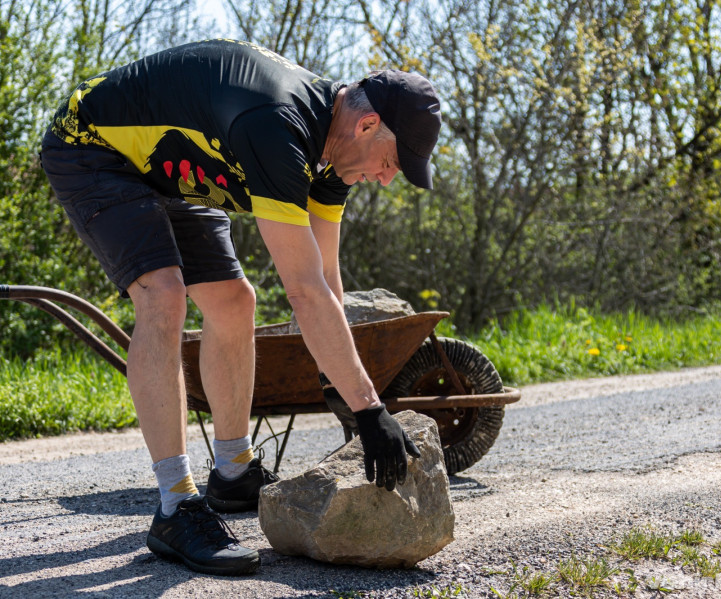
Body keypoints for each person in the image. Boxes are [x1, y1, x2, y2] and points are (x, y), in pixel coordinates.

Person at [39, 38, 441, 576]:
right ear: (367, 126)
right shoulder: (278, 127)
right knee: (163, 294)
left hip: (168, 166)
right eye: (393, 163)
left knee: (234, 300)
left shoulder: (332, 157)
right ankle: (176, 506)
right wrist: (369, 409)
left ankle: (232, 473)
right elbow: (300, 288)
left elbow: (325, 280)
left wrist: (338, 383)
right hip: (93, 148)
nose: (389, 178)